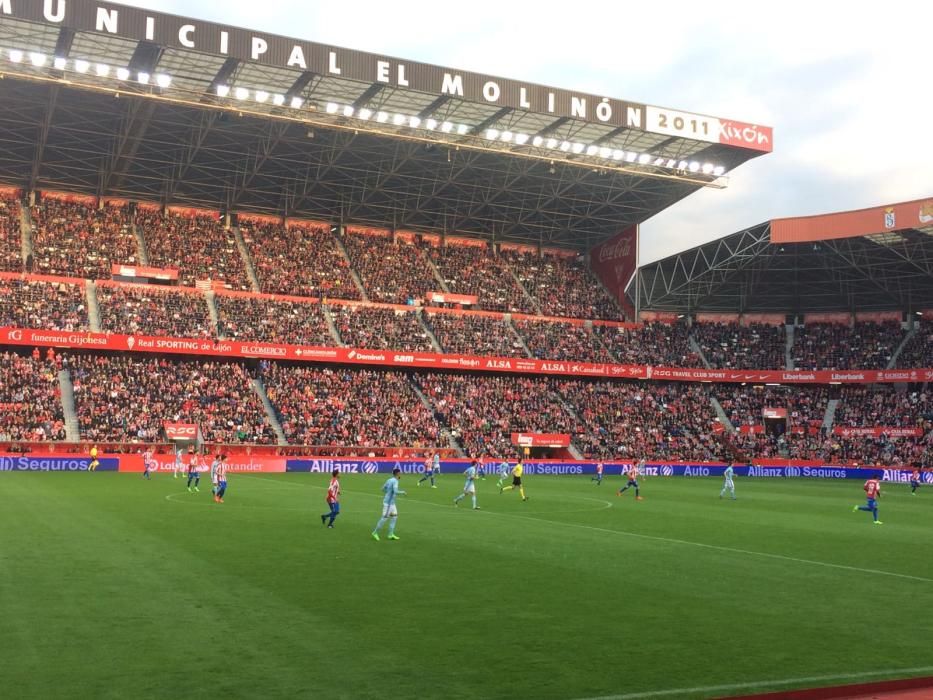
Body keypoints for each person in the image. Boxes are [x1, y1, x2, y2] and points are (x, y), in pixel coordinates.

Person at [373, 467, 406, 541]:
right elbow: (395, 491)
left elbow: (382, 488)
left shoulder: (389, 480)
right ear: (397, 474)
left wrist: (387, 493)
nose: (400, 474)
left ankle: (390, 534)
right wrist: (403, 492)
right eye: (400, 473)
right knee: (384, 518)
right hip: (388, 504)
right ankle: (375, 532)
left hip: (392, 503)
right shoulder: (395, 481)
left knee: (394, 517)